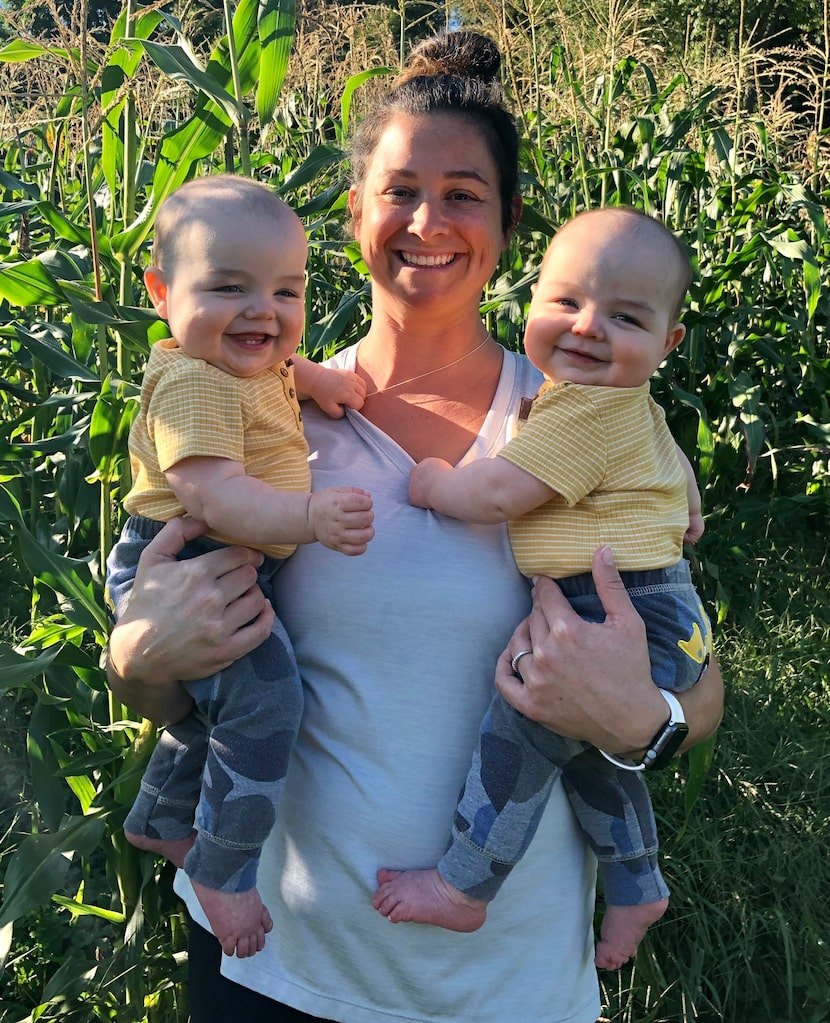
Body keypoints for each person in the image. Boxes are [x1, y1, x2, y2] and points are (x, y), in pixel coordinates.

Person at [106, 31, 724, 1023]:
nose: (426, 221)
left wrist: (638, 724)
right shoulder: (257, 414)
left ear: (508, 224)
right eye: (397, 190)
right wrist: (136, 665)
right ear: (351, 213)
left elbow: (696, 693)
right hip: (272, 964)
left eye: (463, 194)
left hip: (499, 987)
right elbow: (190, 691)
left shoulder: (585, 425)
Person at [372, 206, 712, 969]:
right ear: (529, 302)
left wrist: (432, 484)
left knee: (525, 720)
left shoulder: (584, 408)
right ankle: (634, 880)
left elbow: (497, 493)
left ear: (668, 342)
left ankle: (465, 885)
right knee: (589, 744)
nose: (588, 327)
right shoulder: (629, 404)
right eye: (566, 302)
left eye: (624, 316)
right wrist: (686, 494)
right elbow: (670, 472)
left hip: (618, 609)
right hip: (666, 613)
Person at [105, 175, 375, 960]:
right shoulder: (194, 382)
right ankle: (223, 868)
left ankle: (160, 818)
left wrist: (317, 375)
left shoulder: (243, 365)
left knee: (216, 709)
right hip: (192, 557)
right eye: (229, 287)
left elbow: (280, 370)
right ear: (161, 291)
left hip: (220, 561)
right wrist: (308, 518)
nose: (264, 311)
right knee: (264, 701)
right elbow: (214, 493)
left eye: (286, 291)